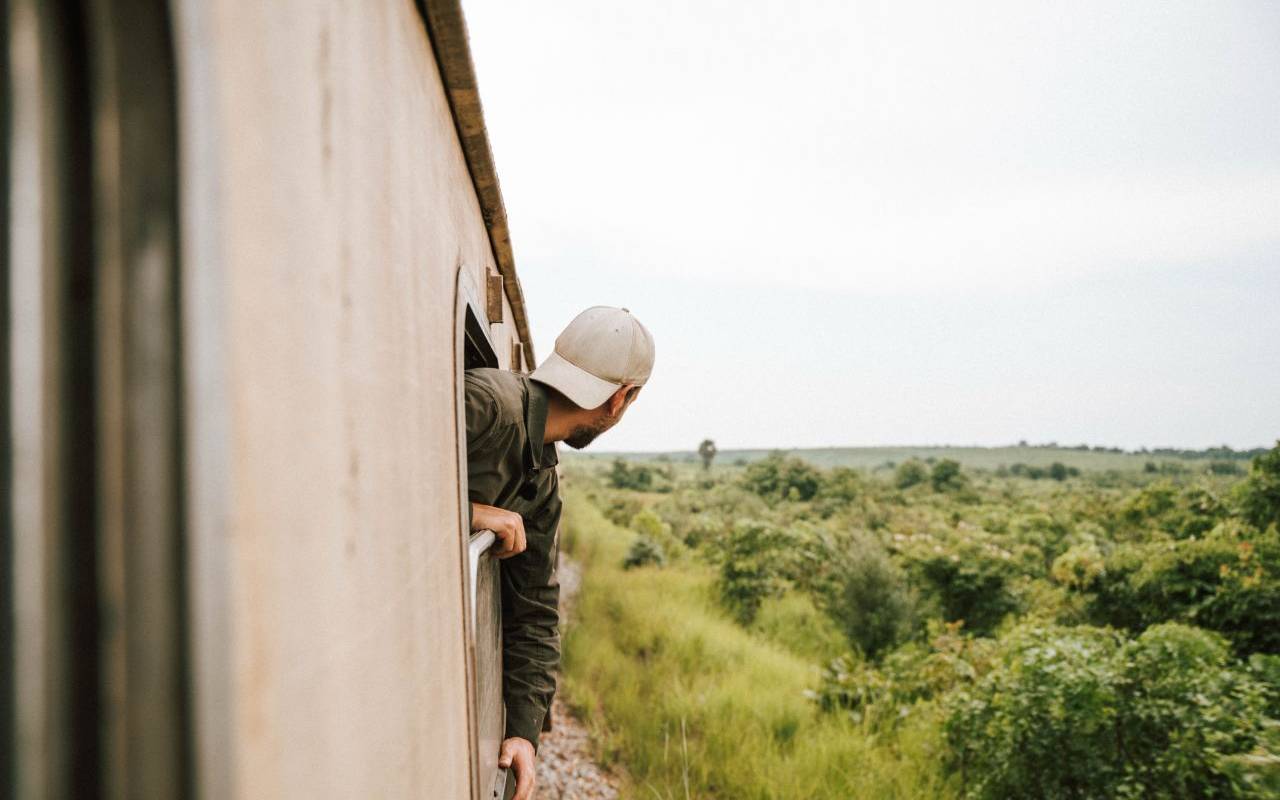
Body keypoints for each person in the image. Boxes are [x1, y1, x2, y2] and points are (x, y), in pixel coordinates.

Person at [464, 306, 655, 800]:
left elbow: (535, 609)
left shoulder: (541, 484)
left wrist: (524, 731)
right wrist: (465, 512)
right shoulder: (485, 403)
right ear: (621, 399)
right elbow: (357, 475)